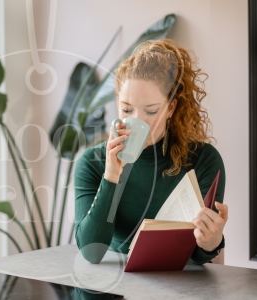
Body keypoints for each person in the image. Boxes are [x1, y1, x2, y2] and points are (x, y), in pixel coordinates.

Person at [74, 39, 228, 264]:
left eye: (151, 111)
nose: (137, 121)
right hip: (114, 282)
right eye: (127, 109)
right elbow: (91, 252)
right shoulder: (91, 162)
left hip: (179, 281)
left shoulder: (203, 160)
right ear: (117, 103)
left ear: (170, 109)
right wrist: (111, 177)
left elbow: (197, 256)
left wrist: (211, 242)